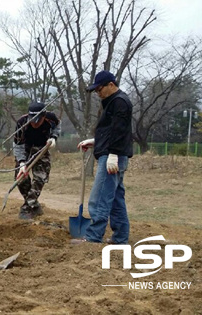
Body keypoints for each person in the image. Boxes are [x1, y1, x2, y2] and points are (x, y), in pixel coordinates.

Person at [74, 70, 133, 245]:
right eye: (96, 91)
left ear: (111, 85)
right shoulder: (113, 102)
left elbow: (120, 131)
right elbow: (110, 130)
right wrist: (95, 141)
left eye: (100, 89)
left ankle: (93, 237)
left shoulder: (120, 102)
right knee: (115, 199)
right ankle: (120, 237)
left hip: (113, 157)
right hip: (112, 153)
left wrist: (113, 154)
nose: (98, 93)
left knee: (99, 198)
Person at [14, 101, 60, 220]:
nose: (34, 124)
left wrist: (53, 137)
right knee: (20, 179)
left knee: (40, 178)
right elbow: (18, 145)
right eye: (32, 120)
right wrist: (22, 162)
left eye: (38, 121)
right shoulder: (22, 123)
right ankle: (34, 205)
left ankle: (27, 208)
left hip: (42, 149)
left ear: (44, 117)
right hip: (25, 149)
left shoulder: (51, 118)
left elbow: (57, 127)